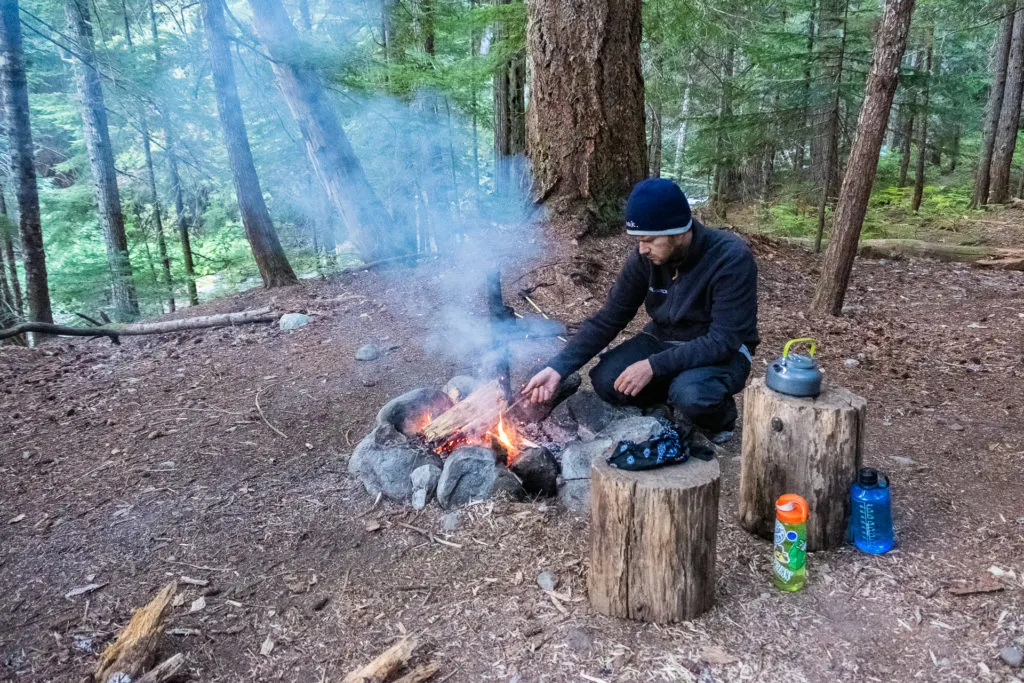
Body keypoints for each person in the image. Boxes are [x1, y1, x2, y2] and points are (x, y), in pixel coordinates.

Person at [522, 178, 759, 443]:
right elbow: (608, 319)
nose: (642, 249)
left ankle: (720, 415)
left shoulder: (730, 258)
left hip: (720, 350)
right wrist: (558, 368)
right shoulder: (645, 259)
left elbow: (723, 340)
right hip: (662, 338)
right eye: (638, 240)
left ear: (679, 232)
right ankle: (672, 397)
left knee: (693, 397)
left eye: (649, 240)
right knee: (605, 380)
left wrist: (653, 367)